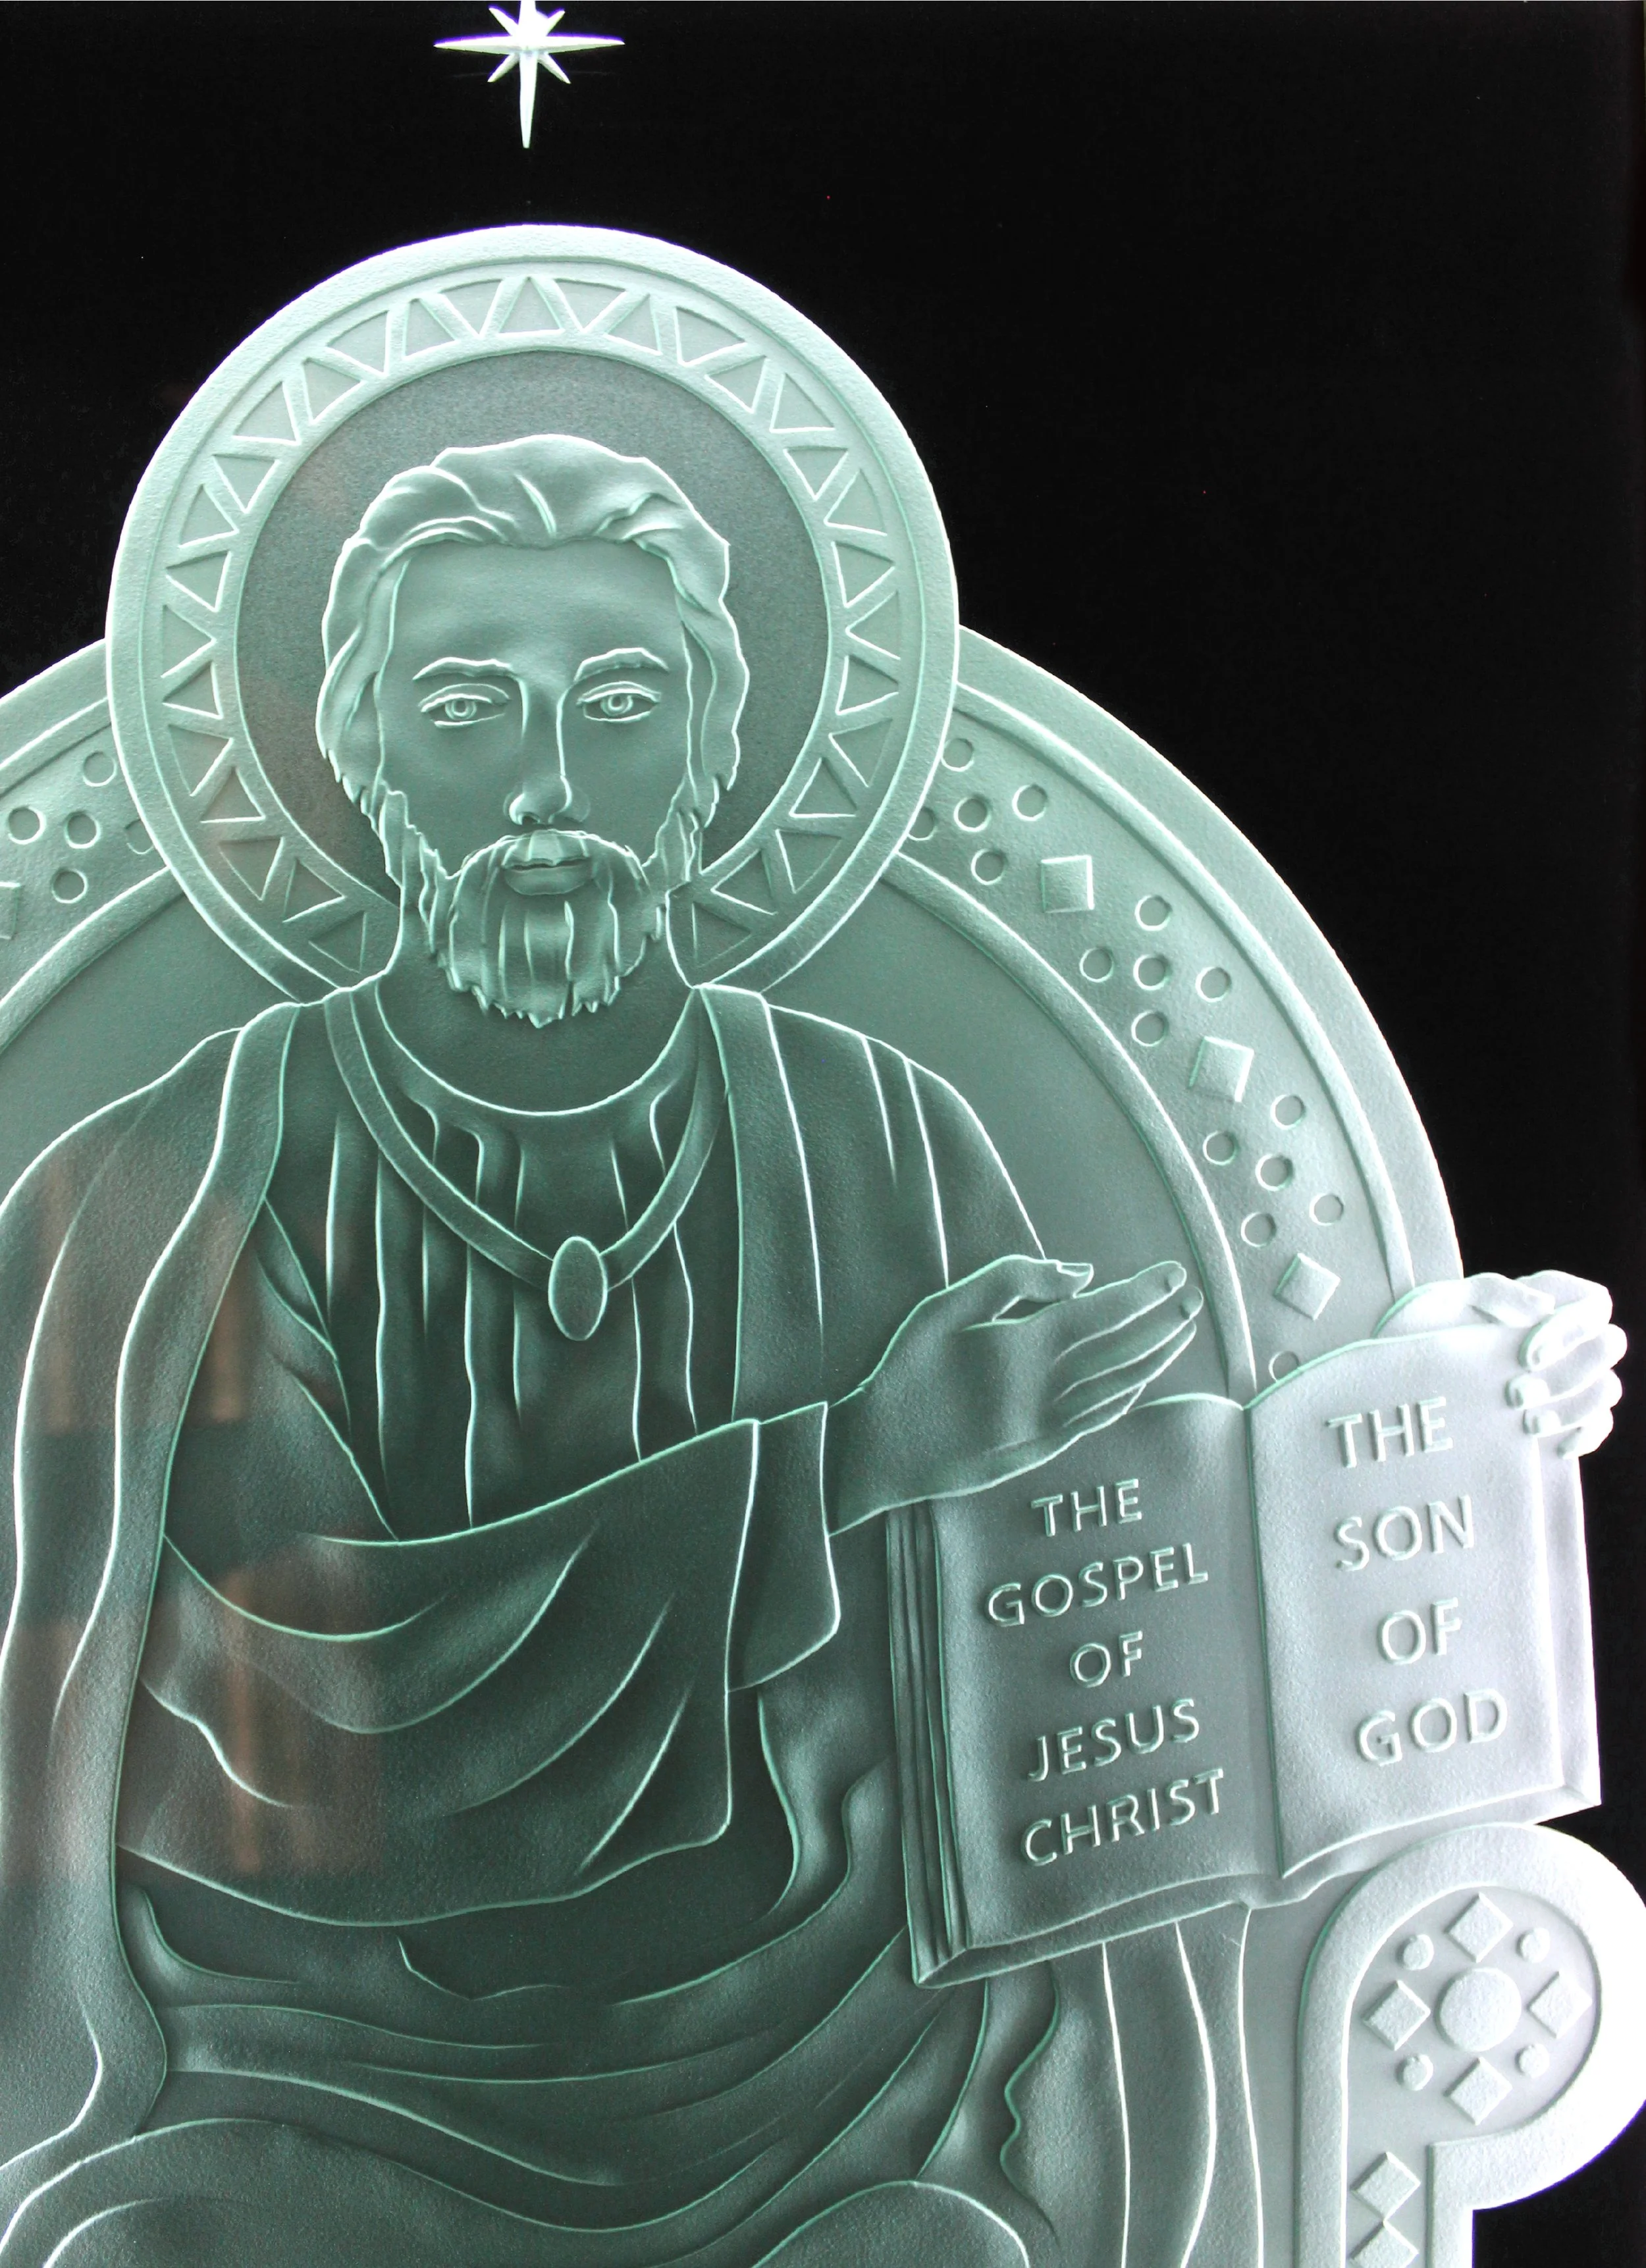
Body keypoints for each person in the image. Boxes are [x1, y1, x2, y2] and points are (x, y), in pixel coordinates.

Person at [0, 436, 1621, 2268]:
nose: (547, 787)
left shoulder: (886, 1137)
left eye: (618, 710)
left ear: (707, 761)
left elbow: (1128, 1609)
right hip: (303, 2111)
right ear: (365, 764)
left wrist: (1447, 1424)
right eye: (466, 712)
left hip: (830, 2120)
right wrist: (840, 1467)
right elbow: (286, 1739)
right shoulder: (159, 1199)